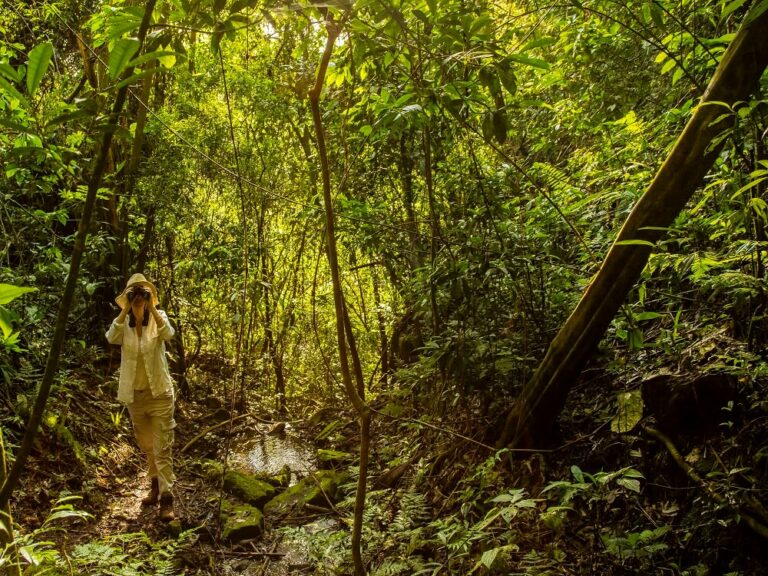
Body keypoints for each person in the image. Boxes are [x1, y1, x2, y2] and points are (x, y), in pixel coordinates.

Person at [106, 273, 177, 522]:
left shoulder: (159, 318)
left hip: (160, 394)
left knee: (163, 446)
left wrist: (152, 308)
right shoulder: (122, 324)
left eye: (143, 293)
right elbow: (110, 337)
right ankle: (155, 484)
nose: (138, 297)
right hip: (135, 397)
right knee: (147, 445)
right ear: (127, 297)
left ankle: (167, 499)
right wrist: (125, 310)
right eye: (134, 294)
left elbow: (169, 334)